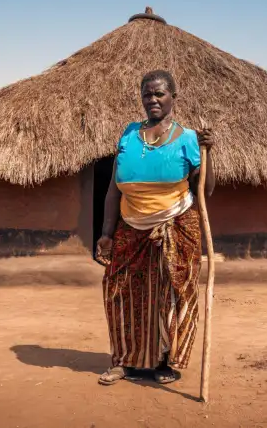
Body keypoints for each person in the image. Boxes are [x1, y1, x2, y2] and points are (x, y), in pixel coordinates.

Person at [95, 70, 215, 385]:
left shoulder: (189, 137)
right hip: (131, 225)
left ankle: (166, 361)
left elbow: (206, 188)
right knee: (121, 290)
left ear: (173, 96)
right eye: (147, 94)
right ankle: (127, 360)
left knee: (173, 292)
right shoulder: (128, 134)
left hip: (176, 222)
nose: (153, 100)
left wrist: (208, 154)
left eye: (159, 94)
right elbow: (113, 189)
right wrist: (107, 233)